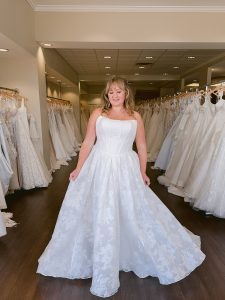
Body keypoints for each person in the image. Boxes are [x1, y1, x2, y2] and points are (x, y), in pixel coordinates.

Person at [37, 76, 205, 298]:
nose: (115, 95)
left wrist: (143, 171)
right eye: (111, 92)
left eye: (119, 91)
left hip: (126, 165)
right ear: (106, 95)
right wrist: (79, 168)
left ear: (126, 94)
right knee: (100, 209)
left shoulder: (135, 116)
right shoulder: (98, 114)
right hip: (99, 164)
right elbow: (88, 142)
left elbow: (142, 144)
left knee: (132, 210)